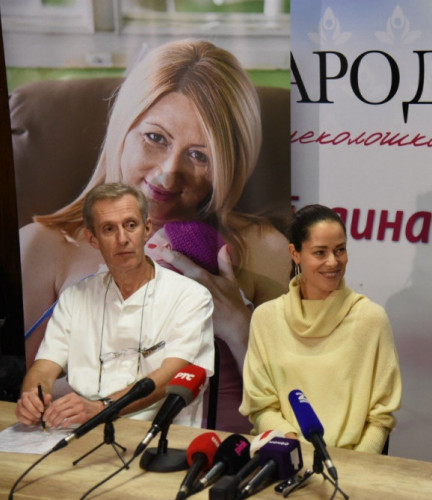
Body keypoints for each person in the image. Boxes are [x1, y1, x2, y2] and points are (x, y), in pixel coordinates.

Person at [18, 39, 290, 431]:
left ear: (229, 166)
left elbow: (292, 407)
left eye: (199, 155)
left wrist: (239, 327)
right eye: (156, 138)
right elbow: (19, 400)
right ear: (123, 129)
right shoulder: (42, 248)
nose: (168, 173)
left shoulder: (264, 250)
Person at [15, 183, 214, 428]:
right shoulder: (74, 298)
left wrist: (102, 409)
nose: (122, 239)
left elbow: (172, 375)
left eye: (130, 225)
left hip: (159, 435)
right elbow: (44, 366)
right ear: (93, 239)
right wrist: (32, 396)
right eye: (109, 229)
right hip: (82, 429)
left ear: (147, 229)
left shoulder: (191, 297)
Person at [239, 205, 402, 454]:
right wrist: (295, 453)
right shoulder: (266, 318)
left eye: (340, 250)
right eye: (320, 252)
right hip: (287, 456)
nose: (333, 262)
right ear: (295, 253)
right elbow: (261, 406)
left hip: (354, 465)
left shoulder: (371, 319)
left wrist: (358, 465)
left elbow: (381, 416)